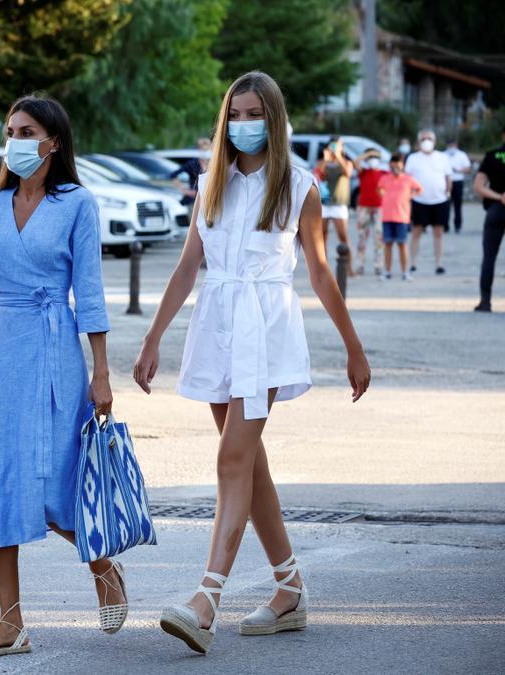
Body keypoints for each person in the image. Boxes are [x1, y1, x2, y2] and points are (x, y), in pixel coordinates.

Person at [133, 71, 370, 655]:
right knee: (249, 465)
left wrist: (353, 346)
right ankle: (289, 588)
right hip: (216, 328)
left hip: (265, 331)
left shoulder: (299, 185)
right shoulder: (212, 183)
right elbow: (190, 266)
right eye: (235, 114)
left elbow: (318, 271)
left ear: (274, 117)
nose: (243, 124)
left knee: (231, 457)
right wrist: (152, 338)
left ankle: (206, 599)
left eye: (254, 113)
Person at [0, 94, 125, 660]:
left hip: (55, 352)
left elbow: (89, 293)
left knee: (52, 484)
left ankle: (103, 567)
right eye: (11, 129)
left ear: (53, 142)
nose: (15, 139)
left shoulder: (77, 204)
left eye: (27, 130)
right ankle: (10, 623)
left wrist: (102, 374)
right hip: (2, 361)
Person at [405, 129, 453, 274]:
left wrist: (448, 191)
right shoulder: (413, 158)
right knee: (416, 232)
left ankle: (438, 264)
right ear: (419, 142)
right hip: (419, 201)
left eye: (429, 139)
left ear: (434, 141)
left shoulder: (442, 157)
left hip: (439, 200)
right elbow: (407, 179)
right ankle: (412, 263)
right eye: (424, 139)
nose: (427, 141)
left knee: (438, 233)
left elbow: (448, 176)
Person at [472, 129, 505, 312]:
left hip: (496, 210)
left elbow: (478, 186)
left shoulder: (492, 156)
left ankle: (485, 301)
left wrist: (499, 197)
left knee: (489, 258)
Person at [313, 136, 354, 276]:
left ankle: (349, 268)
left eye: (339, 145)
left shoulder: (346, 162)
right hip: (324, 203)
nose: (336, 147)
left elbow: (347, 173)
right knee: (322, 237)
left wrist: (338, 156)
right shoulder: (322, 161)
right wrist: (326, 158)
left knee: (344, 237)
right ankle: (324, 269)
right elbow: (319, 173)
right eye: (334, 145)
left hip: (339, 204)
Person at [378, 153, 423, 280]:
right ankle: (387, 272)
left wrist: (410, 196)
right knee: (387, 244)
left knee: (402, 244)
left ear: (402, 165)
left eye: (397, 165)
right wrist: (384, 197)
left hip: (402, 217)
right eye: (393, 165)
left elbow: (419, 189)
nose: (395, 168)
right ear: (390, 166)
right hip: (387, 217)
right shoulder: (385, 178)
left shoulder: (408, 179)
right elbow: (379, 189)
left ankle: (405, 272)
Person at [353, 152, 386, 277]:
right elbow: (355, 161)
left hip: (379, 208)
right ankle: (360, 265)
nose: (373, 160)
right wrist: (367, 155)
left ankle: (379, 266)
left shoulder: (383, 173)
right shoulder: (363, 172)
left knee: (378, 238)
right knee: (362, 238)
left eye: (375, 158)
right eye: (371, 158)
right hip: (364, 207)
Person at [173, 136, 212, 205]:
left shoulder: (212, 163)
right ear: (198, 150)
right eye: (203, 150)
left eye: (207, 150)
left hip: (207, 200)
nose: (205, 152)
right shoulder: (191, 163)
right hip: (192, 200)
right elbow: (173, 175)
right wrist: (185, 191)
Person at [445, 139, 472, 233]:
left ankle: (458, 225)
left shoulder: (462, 155)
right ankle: (445, 226)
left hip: (458, 182)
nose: (452, 147)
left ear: (456, 145)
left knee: (457, 205)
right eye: (450, 145)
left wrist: (459, 170)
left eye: (453, 145)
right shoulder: (443, 155)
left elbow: (468, 168)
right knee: (445, 205)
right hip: (446, 182)